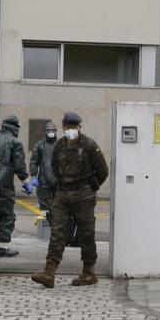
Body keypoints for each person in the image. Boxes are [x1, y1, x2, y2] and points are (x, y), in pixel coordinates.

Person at [31, 112, 108, 288]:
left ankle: (89, 273)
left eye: (74, 127)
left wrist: (90, 187)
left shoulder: (89, 145)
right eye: (68, 127)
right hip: (63, 193)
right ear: (63, 127)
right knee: (57, 232)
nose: (71, 130)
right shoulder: (59, 145)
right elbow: (55, 168)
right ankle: (49, 273)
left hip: (83, 194)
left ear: (80, 127)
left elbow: (102, 170)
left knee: (86, 233)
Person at [0, 115, 33, 257]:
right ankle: (1, 247)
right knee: (7, 216)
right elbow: (19, 167)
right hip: (4, 186)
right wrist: (27, 183)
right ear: (15, 128)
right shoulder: (14, 142)